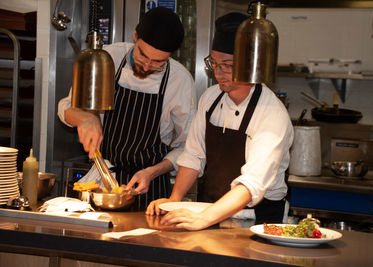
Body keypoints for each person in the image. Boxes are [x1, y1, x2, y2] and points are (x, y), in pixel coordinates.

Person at [146, 12, 294, 230]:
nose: (219, 73)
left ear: (249, 62)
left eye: (228, 65)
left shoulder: (272, 114)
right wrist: (174, 200)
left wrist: (204, 219)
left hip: (259, 223)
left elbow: (251, 184)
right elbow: (193, 156)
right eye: (214, 63)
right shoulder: (211, 98)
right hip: (211, 214)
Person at [58, 7, 196, 211]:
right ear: (135, 37)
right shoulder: (107, 58)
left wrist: (152, 172)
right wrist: (84, 118)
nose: (147, 66)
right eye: (142, 55)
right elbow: (66, 107)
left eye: (158, 62)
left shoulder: (180, 80)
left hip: (151, 189)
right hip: (103, 184)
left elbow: (187, 147)